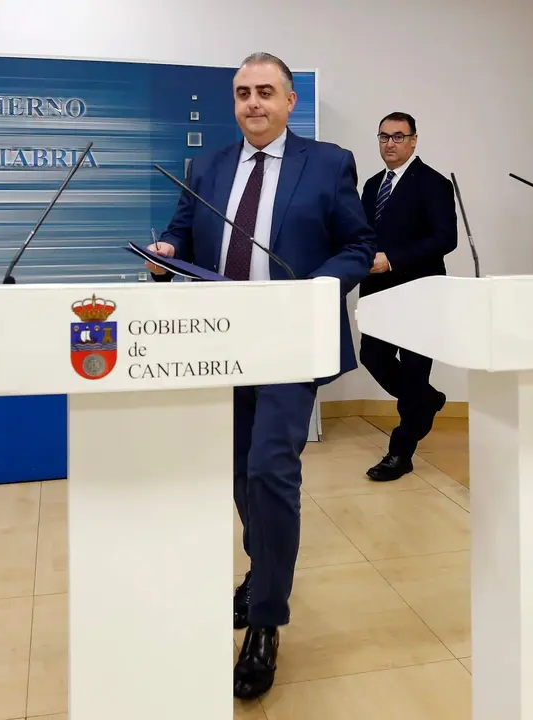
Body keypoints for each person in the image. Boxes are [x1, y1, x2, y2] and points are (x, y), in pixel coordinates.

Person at [145, 52, 376, 699]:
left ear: (290, 100)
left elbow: (358, 245)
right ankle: (262, 568)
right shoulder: (207, 167)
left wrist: (320, 286)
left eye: (265, 92)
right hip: (222, 343)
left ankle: (267, 621)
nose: (253, 103)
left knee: (272, 467)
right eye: (243, 93)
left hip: (290, 339)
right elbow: (181, 238)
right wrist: (164, 256)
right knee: (241, 470)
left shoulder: (328, 163)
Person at [357, 112, 457, 481]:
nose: (390, 143)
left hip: (420, 293)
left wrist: (392, 260)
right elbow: (363, 234)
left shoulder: (433, 183)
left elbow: (445, 239)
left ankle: (401, 452)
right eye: (384, 136)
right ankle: (428, 401)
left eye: (399, 137)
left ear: (414, 140)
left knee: (414, 373)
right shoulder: (371, 185)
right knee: (373, 357)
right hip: (377, 294)